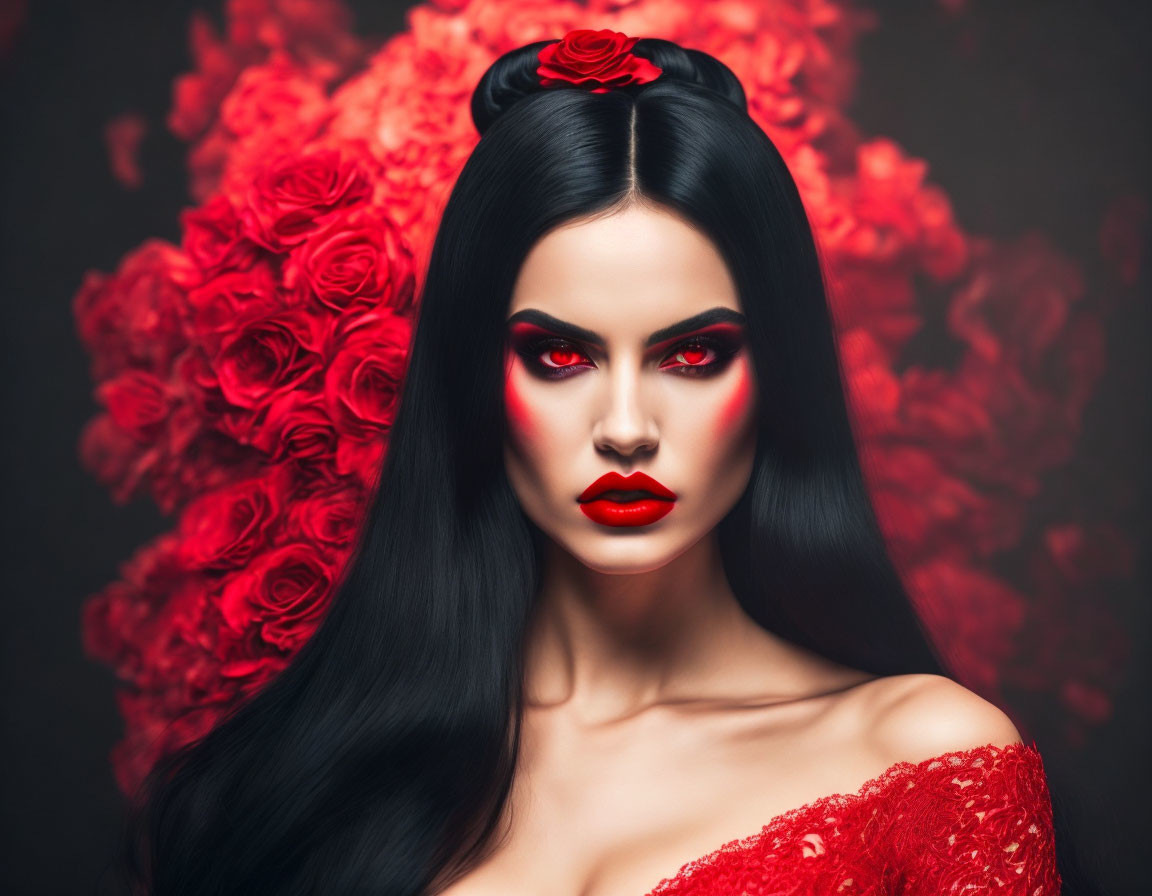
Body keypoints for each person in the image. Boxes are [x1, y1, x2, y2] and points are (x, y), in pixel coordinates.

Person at [118, 29, 1063, 896]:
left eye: (691, 357)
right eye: (559, 357)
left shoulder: (928, 761)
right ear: (474, 380)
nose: (624, 426)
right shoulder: (296, 782)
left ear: (777, 373)